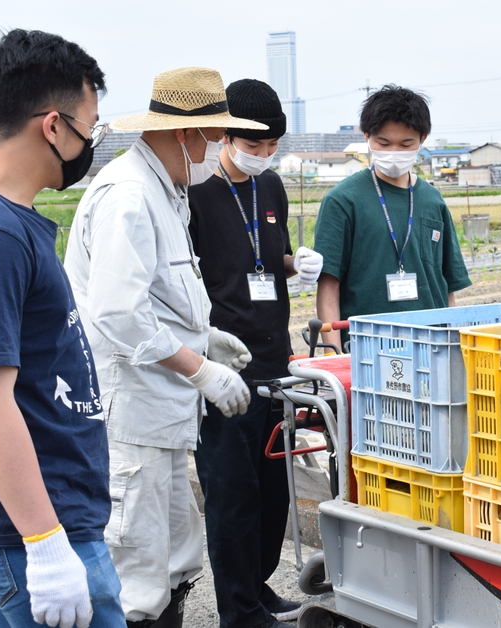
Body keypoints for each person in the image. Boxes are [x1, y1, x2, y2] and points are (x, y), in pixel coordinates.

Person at [63, 67, 267, 627]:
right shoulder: (129, 196)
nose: (214, 150)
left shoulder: (165, 190)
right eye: (213, 136)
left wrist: (205, 337)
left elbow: (157, 298)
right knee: (137, 574)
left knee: (176, 559)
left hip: (164, 421)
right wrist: (199, 367)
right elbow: (117, 314)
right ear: (186, 134)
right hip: (130, 420)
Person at [0, 29, 126, 628]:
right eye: (90, 126)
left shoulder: (8, 216)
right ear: (53, 126)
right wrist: (47, 544)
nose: (91, 143)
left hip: (44, 518)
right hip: (34, 528)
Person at [188, 79, 320, 628]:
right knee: (232, 497)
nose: (263, 157)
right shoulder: (195, 193)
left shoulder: (271, 191)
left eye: (272, 149)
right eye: (255, 146)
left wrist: (297, 265)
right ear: (227, 135)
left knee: (272, 496)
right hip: (224, 369)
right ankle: (237, 611)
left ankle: (257, 589)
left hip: (275, 360)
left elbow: (273, 257)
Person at [313, 85, 471, 349]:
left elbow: (447, 286)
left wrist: (453, 342)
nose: (394, 152)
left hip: (432, 344)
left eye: (406, 143)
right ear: (366, 136)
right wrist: (333, 353)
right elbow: (329, 285)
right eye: (384, 143)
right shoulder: (343, 200)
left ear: (423, 138)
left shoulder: (432, 199)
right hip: (369, 347)